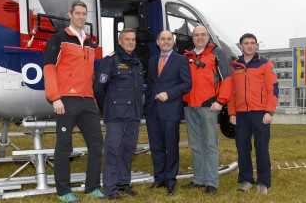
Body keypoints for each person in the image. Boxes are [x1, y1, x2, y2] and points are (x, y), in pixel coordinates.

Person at [44, 1, 104, 202]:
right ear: (70, 14)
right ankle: (63, 191)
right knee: (64, 146)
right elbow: (49, 68)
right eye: (77, 13)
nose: (81, 16)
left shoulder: (89, 42)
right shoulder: (58, 39)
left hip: (87, 100)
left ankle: (92, 187)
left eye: (84, 13)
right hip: (66, 100)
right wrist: (55, 97)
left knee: (96, 144)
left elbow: (91, 73)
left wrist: (94, 98)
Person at [93, 28, 144, 200]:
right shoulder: (110, 60)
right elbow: (99, 88)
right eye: (127, 39)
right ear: (120, 41)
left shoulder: (136, 61)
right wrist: (106, 108)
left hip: (134, 115)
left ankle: (123, 183)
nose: (131, 42)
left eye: (133, 39)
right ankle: (109, 188)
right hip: (116, 116)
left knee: (128, 150)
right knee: (113, 151)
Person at [182, 25, 232, 195]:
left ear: (208, 36)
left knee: (210, 145)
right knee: (196, 145)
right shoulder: (186, 55)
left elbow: (227, 80)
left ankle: (211, 182)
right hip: (190, 106)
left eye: (203, 35)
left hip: (209, 106)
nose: (200, 37)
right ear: (192, 37)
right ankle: (199, 179)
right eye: (196, 35)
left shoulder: (217, 54)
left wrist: (220, 101)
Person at [228, 33, 279, 195]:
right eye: (246, 43)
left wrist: (269, 111)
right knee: (242, 147)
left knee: (261, 148)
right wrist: (232, 113)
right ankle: (246, 180)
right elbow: (231, 92)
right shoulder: (234, 65)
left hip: (261, 113)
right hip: (241, 114)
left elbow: (273, 89)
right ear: (241, 46)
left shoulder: (265, 63)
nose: (249, 46)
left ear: (256, 45)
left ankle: (263, 182)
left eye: (252, 43)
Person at [144, 30, 192, 195]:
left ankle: (171, 181)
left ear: (173, 42)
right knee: (156, 147)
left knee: (171, 147)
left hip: (171, 110)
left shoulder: (181, 60)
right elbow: (151, 85)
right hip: (153, 111)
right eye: (162, 39)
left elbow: (187, 84)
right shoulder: (152, 61)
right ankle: (159, 179)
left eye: (169, 39)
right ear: (157, 42)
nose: (166, 42)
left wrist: (169, 94)